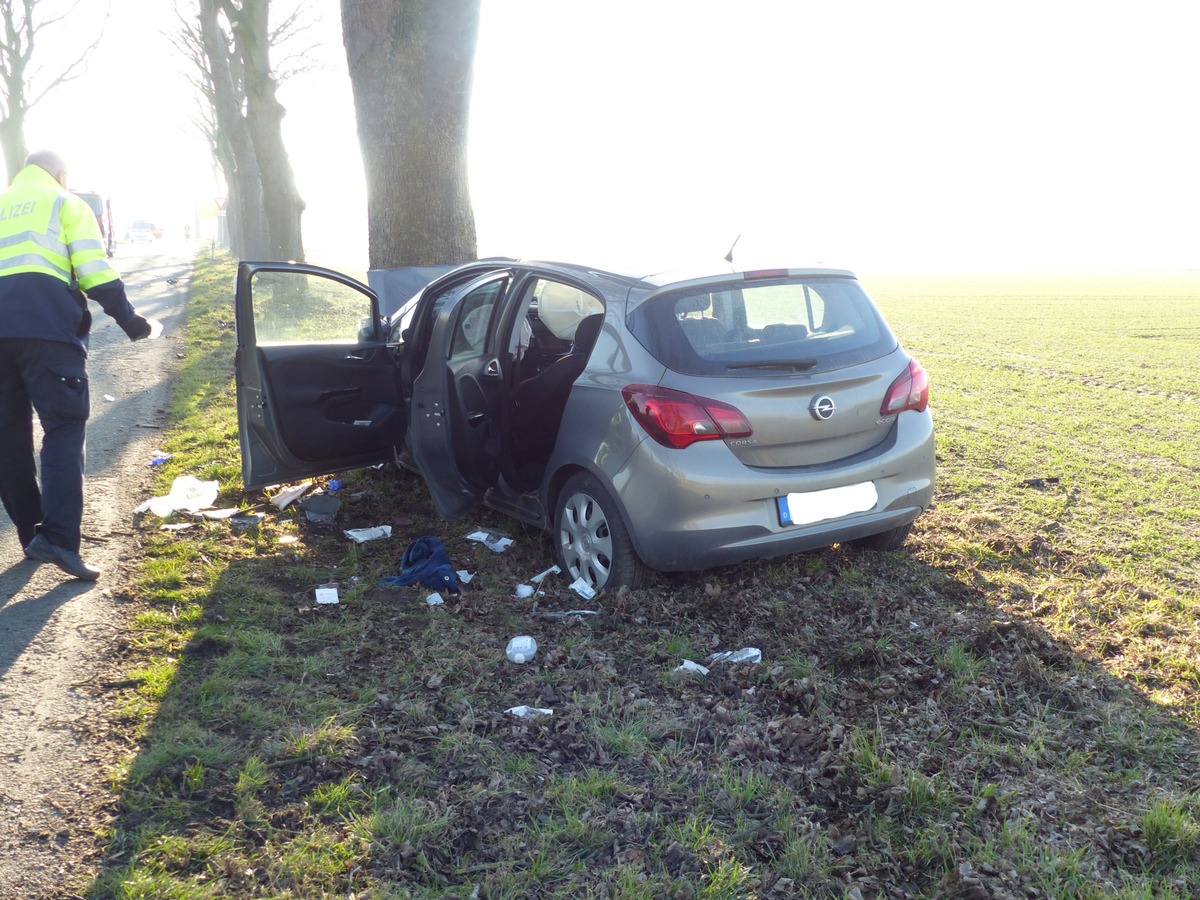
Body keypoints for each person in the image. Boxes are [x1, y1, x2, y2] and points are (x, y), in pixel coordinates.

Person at [0, 149, 156, 580]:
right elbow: (94, 272)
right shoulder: (64, 202)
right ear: (61, 174)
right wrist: (131, 321)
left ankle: (31, 534)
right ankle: (59, 539)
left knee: (7, 438)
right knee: (64, 427)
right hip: (47, 332)